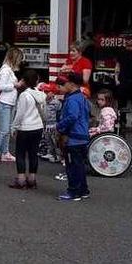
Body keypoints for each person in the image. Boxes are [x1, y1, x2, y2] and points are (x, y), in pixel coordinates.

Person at [55, 72, 91, 201]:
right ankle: (83, 190)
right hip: (83, 135)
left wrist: (59, 126)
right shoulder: (82, 97)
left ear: (71, 83)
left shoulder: (71, 99)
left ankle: (73, 191)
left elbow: (72, 117)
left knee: (72, 166)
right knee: (80, 165)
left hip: (73, 138)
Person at [9, 70, 46, 190]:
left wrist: (14, 127)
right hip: (38, 127)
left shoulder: (24, 95)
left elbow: (20, 114)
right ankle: (32, 179)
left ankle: (21, 180)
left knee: (20, 153)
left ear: (24, 81)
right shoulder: (40, 94)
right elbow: (44, 112)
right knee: (33, 153)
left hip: (25, 127)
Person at [0, 48, 24, 165]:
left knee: (8, 130)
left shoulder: (8, 70)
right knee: (3, 130)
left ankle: (5, 153)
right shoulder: (5, 70)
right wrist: (15, 85)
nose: (20, 62)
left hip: (9, 103)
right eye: (19, 59)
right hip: (4, 103)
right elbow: (1, 86)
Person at [38, 83, 63, 164]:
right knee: (48, 139)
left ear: (53, 93)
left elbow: (59, 113)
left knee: (55, 141)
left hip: (53, 123)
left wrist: (58, 123)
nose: (46, 93)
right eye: (45, 91)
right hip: (46, 123)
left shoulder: (56, 103)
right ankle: (50, 153)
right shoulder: (44, 101)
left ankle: (58, 156)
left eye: (48, 92)